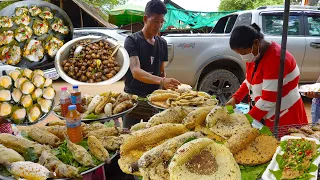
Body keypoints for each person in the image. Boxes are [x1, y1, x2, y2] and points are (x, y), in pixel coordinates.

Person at [226, 24, 308, 129]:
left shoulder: (276, 59)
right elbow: (249, 81)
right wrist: (235, 98)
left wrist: (246, 120)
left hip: (284, 115)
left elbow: (268, 99)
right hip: (264, 113)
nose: (243, 57)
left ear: (255, 43)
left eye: (244, 53)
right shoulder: (254, 55)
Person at [122, 0, 181, 128]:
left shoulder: (162, 43)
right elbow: (136, 71)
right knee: (128, 135)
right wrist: (162, 81)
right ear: (145, 19)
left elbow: (161, 72)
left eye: (161, 22)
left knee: (153, 135)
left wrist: (169, 90)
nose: (158, 26)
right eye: (155, 21)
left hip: (154, 100)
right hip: (134, 99)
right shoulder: (132, 40)